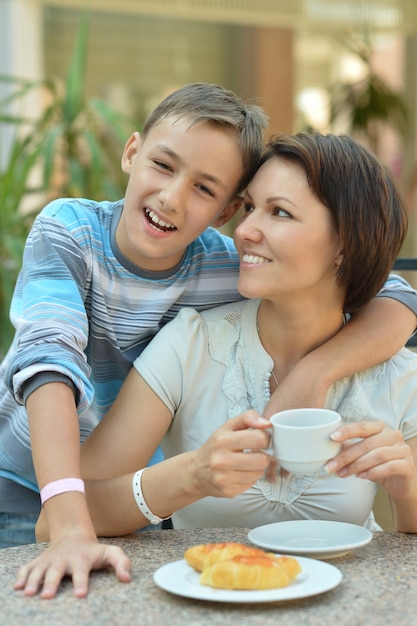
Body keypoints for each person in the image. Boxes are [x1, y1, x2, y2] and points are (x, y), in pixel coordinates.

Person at [18, 132, 417, 599]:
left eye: (280, 212)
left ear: (345, 246)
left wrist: (406, 484)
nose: (244, 230)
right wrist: (191, 476)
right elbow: (57, 520)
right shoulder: (190, 344)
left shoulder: (397, 371)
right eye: (249, 207)